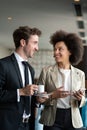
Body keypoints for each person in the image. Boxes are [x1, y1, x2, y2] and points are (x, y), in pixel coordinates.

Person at [37, 30, 85, 130]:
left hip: (73, 119)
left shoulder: (80, 74)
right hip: (52, 119)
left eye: (60, 49)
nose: (56, 52)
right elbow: (39, 99)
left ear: (70, 51)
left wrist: (80, 98)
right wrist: (53, 95)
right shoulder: (46, 71)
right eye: (55, 49)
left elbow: (83, 101)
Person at [0, 26, 41, 130]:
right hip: (8, 125)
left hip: (27, 125)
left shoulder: (30, 69)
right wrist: (21, 92)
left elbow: (28, 98)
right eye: (35, 43)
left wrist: (37, 100)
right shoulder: (3, 65)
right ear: (23, 42)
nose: (37, 48)